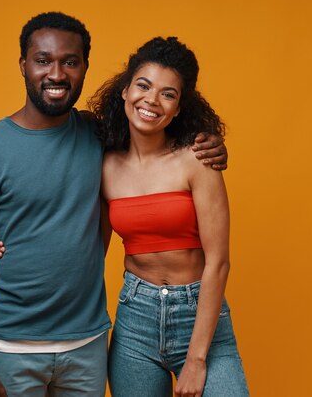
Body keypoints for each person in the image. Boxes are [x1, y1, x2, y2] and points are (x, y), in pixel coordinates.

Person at [0, 12, 228, 397]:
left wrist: (213, 145)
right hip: (13, 346)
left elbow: (152, 134)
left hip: (87, 344)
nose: (56, 74)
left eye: (70, 62)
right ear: (23, 65)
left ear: (84, 68)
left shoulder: (96, 137)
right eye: (43, 60)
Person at [92, 37, 250, 397]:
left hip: (200, 311)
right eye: (143, 86)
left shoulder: (197, 159)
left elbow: (219, 263)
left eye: (168, 94)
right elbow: (89, 250)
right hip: (135, 320)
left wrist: (196, 359)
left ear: (178, 108)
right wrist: (7, 246)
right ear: (125, 90)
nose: (151, 100)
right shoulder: (105, 166)